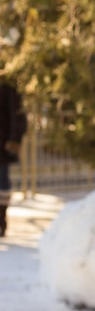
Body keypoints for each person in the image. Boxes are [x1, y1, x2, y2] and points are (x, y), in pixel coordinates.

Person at [0, 82, 27, 237]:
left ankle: (1, 221)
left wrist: (13, 140)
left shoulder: (7, 85)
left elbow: (18, 115)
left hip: (3, 145)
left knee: (2, 182)